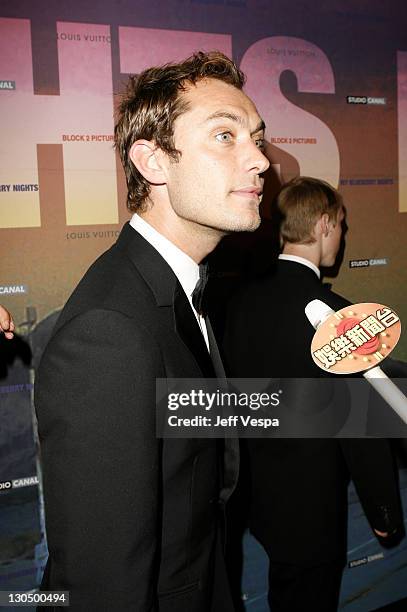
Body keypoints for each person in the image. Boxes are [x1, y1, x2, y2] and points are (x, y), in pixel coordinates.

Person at [34, 51, 269, 611]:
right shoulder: (109, 331)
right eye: (225, 136)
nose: (259, 159)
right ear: (153, 161)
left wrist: (370, 400)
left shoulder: (177, 286)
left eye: (257, 138)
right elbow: (101, 581)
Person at [223, 177, 403, 612]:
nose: (342, 237)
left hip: (249, 498)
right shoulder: (338, 318)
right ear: (324, 224)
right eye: (341, 225)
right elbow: (361, 431)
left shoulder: (231, 300)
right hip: (311, 509)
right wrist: (384, 512)